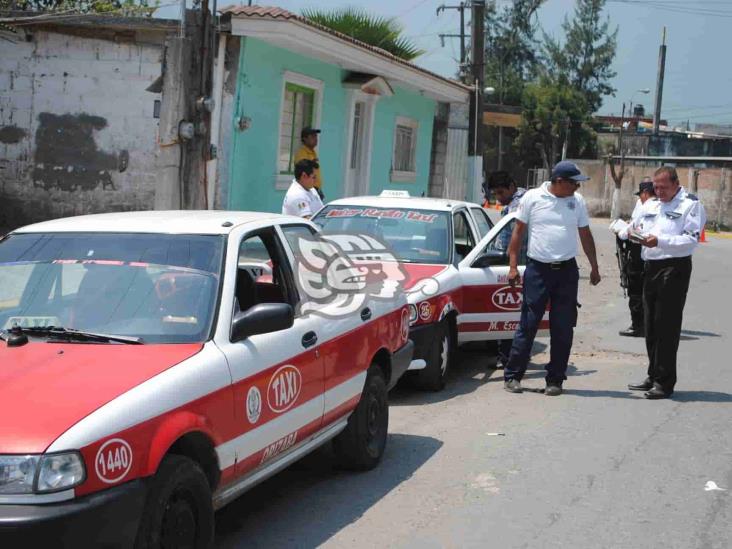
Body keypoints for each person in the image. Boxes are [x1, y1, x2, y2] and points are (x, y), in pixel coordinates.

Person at [503, 161, 601, 396]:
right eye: (574, 183)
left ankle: (555, 380)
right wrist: (513, 266)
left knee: (563, 327)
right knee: (528, 324)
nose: (577, 188)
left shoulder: (576, 202)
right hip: (538, 270)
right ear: (559, 182)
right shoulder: (533, 198)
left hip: (567, 272)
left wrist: (594, 267)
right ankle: (513, 376)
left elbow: (585, 235)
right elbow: (517, 233)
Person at [627, 166, 706, 400]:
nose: (658, 191)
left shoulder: (690, 204)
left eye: (663, 187)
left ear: (675, 183)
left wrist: (659, 240)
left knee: (666, 326)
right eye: (655, 187)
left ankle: (664, 381)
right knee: (650, 325)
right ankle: (653, 375)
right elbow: (638, 227)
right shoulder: (652, 204)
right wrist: (630, 232)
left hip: (674, 268)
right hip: (650, 267)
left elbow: (690, 241)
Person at [486, 171, 527, 368]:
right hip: (519, 266)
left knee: (510, 315)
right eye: (495, 194)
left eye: (501, 192)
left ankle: (508, 358)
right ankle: (510, 357)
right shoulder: (519, 202)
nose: (498, 198)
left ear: (512, 187)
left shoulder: (516, 207)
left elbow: (509, 243)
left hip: (515, 267)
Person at [614, 179, 655, 337]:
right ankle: (650, 324)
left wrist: (622, 231)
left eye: (641, 195)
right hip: (654, 253)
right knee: (650, 290)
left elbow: (633, 230)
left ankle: (638, 325)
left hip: (640, 249)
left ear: (645, 193)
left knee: (636, 289)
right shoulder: (662, 205)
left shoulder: (645, 206)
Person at [293, 127, 324, 200]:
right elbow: (302, 171)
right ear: (305, 139)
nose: (315, 139)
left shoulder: (313, 152)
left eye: (316, 136)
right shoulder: (301, 153)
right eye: (312, 137)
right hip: (307, 190)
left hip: (315, 190)